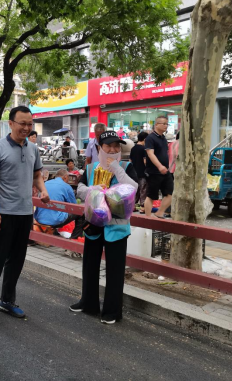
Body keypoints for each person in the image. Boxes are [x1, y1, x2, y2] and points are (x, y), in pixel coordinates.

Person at [0, 105, 50, 327]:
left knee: (16, 261)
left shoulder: (33, 149)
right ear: (11, 124)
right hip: (4, 214)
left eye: (30, 124)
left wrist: (43, 190)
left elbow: (37, 175)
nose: (26, 128)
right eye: (22, 123)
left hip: (25, 213)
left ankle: (7, 301)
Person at [70, 131, 138, 324]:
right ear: (100, 148)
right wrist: (93, 191)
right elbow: (80, 189)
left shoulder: (126, 166)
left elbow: (134, 189)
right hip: (93, 224)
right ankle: (88, 303)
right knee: (90, 266)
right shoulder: (91, 168)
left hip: (117, 227)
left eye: (117, 146)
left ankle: (112, 311)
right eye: (109, 146)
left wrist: (116, 168)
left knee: (115, 270)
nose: (113, 150)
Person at [34, 169, 84, 239]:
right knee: (81, 213)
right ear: (65, 177)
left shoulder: (45, 183)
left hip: (39, 218)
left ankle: (56, 232)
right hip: (54, 220)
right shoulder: (66, 187)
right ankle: (75, 238)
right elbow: (74, 207)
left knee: (56, 210)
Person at [144, 116, 173, 218]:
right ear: (156, 124)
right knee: (151, 196)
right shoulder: (150, 138)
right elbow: (150, 154)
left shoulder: (163, 138)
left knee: (170, 193)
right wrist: (160, 166)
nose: (166, 126)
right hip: (154, 172)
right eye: (163, 123)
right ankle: (148, 218)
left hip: (165, 171)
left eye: (167, 124)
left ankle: (160, 212)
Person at [130, 131, 149, 213]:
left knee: (135, 190)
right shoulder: (144, 149)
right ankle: (142, 207)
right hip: (142, 173)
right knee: (143, 190)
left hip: (134, 173)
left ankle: (132, 206)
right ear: (145, 139)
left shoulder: (133, 148)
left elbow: (130, 160)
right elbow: (145, 161)